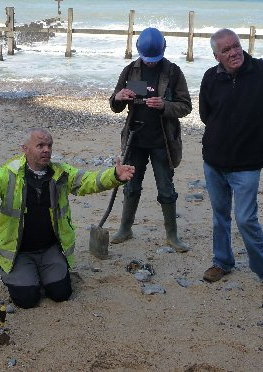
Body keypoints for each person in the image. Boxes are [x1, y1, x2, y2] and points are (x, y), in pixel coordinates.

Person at [0, 128, 135, 309]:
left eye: (49, 145)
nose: (46, 149)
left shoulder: (60, 173)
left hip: (49, 249)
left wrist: (115, 176)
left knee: (61, 294)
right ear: (25, 148)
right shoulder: (6, 174)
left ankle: (45, 271)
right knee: (27, 300)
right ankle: (19, 272)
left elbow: (88, 181)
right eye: (40, 145)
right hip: (18, 252)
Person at [199, 28, 263, 298]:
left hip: (248, 162)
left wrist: (253, 135)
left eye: (236, 46)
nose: (234, 52)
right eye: (226, 50)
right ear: (216, 56)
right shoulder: (210, 78)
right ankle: (222, 262)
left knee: (246, 218)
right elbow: (205, 114)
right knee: (220, 216)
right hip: (214, 160)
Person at [109, 27, 192, 252]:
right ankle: (125, 229)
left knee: (166, 188)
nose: (152, 63)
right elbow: (115, 104)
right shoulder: (130, 70)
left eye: (155, 59)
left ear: (163, 51)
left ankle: (172, 235)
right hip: (135, 140)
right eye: (148, 59)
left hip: (163, 142)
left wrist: (165, 106)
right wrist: (118, 97)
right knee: (131, 187)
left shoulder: (173, 72)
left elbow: (186, 106)